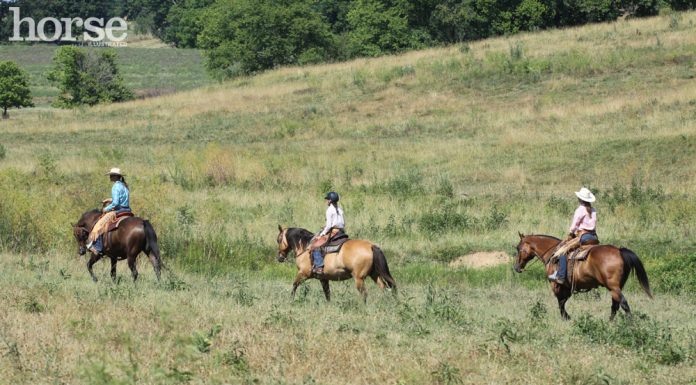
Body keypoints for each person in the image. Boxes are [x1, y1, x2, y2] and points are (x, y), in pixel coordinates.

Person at [548, 187, 599, 284]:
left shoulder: (580, 209)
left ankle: (561, 276)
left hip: (583, 236)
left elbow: (574, 225)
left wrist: (570, 234)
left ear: (580, 198)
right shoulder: (593, 210)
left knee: (563, 251)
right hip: (593, 237)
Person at [87, 168, 132, 255]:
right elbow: (121, 199)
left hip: (118, 210)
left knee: (99, 224)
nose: (110, 177)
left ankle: (98, 247)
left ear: (116, 176)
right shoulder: (124, 186)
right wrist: (109, 199)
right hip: (127, 210)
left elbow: (116, 203)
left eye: (111, 175)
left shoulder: (115, 186)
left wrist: (106, 209)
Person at [310, 191, 345, 274]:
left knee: (315, 246)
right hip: (341, 232)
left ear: (330, 201)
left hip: (333, 232)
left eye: (327, 199)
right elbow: (343, 223)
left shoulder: (329, 210)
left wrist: (321, 234)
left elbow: (329, 226)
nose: (326, 201)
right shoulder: (340, 210)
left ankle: (319, 267)